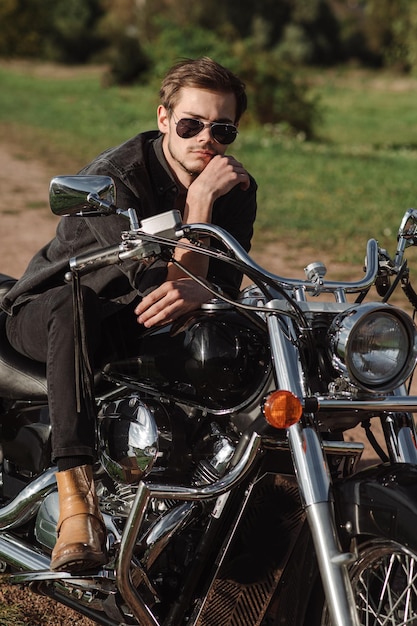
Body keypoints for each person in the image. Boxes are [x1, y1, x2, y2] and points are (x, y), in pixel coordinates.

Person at [1, 57, 257, 572]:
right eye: (191, 124)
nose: (206, 139)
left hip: (129, 318)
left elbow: (219, 288)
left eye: (221, 129)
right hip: (49, 313)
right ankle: (77, 500)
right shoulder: (114, 179)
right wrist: (200, 202)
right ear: (164, 119)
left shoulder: (238, 188)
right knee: (73, 304)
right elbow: (169, 290)